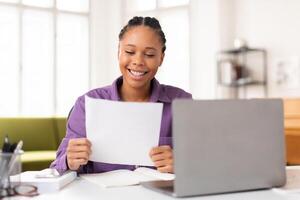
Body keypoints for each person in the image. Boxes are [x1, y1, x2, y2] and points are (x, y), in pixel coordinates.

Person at [50, 16, 192, 174]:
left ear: (161, 58)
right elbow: (57, 168)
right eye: (130, 51)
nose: (138, 61)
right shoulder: (87, 104)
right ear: (118, 52)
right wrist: (70, 160)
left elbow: (204, 163)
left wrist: (183, 165)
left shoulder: (182, 102)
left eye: (150, 55)